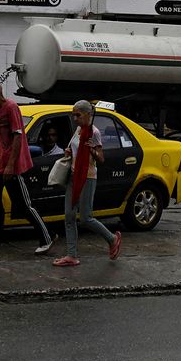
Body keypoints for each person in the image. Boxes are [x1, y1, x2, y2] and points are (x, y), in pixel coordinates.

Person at [0, 81, 55, 255]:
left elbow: (18, 137)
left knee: (23, 205)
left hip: (12, 167)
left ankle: (47, 237)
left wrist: (11, 165)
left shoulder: (11, 107)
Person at [53, 100, 121, 267]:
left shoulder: (94, 132)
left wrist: (92, 150)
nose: (75, 118)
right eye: (73, 115)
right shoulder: (78, 130)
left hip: (88, 177)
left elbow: (101, 158)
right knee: (69, 216)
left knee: (85, 218)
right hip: (73, 176)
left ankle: (112, 238)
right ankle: (72, 255)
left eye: (78, 115)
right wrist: (69, 152)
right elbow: (73, 149)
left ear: (87, 115)